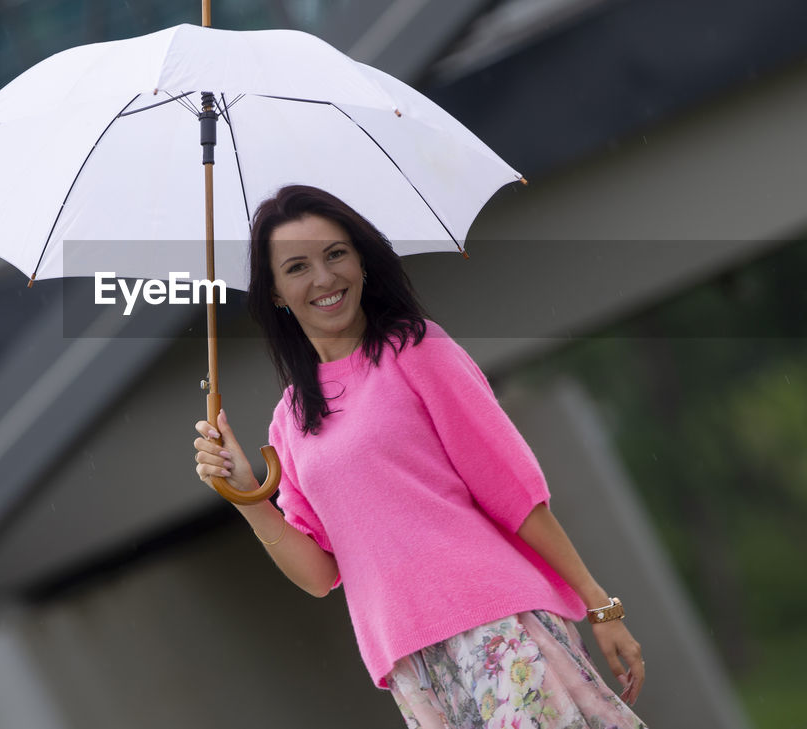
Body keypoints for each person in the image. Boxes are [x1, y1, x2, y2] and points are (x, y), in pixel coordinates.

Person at [193, 185, 648, 729]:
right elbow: (319, 574)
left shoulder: (416, 349)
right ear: (274, 294)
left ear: (361, 260)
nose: (323, 278)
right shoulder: (289, 421)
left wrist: (600, 604)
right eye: (297, 267)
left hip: (496, 625)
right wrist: (246, 496)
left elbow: (514, 492)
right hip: (408, 662)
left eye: (335, 253)